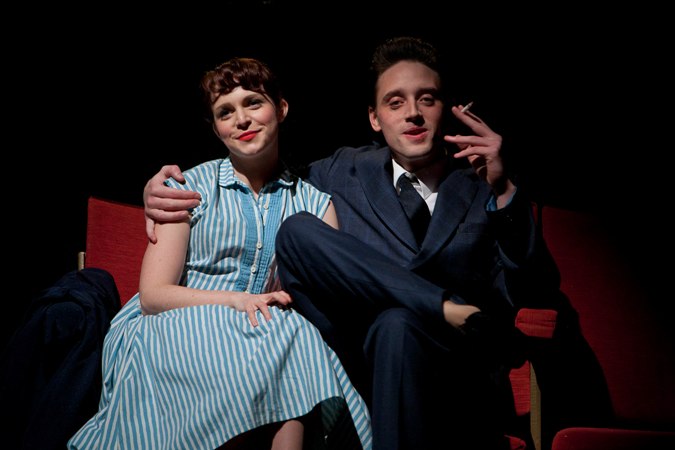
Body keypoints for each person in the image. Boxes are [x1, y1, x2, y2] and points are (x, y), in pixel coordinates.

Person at [142, 37, 611, 449]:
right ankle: (444, 305)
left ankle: (444, 315)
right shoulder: (342, 171)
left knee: (398, 324)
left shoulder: (482, 186)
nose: (412, 113)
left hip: (456, 372)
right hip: (363, 360)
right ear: (374, 117)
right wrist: (156, 189)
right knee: (300, 231)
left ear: (446, 109)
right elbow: (259, 166)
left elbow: (536, 291)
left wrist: (504, 190)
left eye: (427, 99)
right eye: (395, 102)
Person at [68, 57, 372, 450]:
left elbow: (326, 301)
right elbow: (154, 296)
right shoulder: (186, 189)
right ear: (215, 128)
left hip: (268, 336)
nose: (241, 120)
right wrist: (235, 300)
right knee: (285, 335)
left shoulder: (315, 204)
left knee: (292, 334)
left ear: (281, 108)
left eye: (253, 103)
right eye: (225, 112)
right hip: (174, 327)